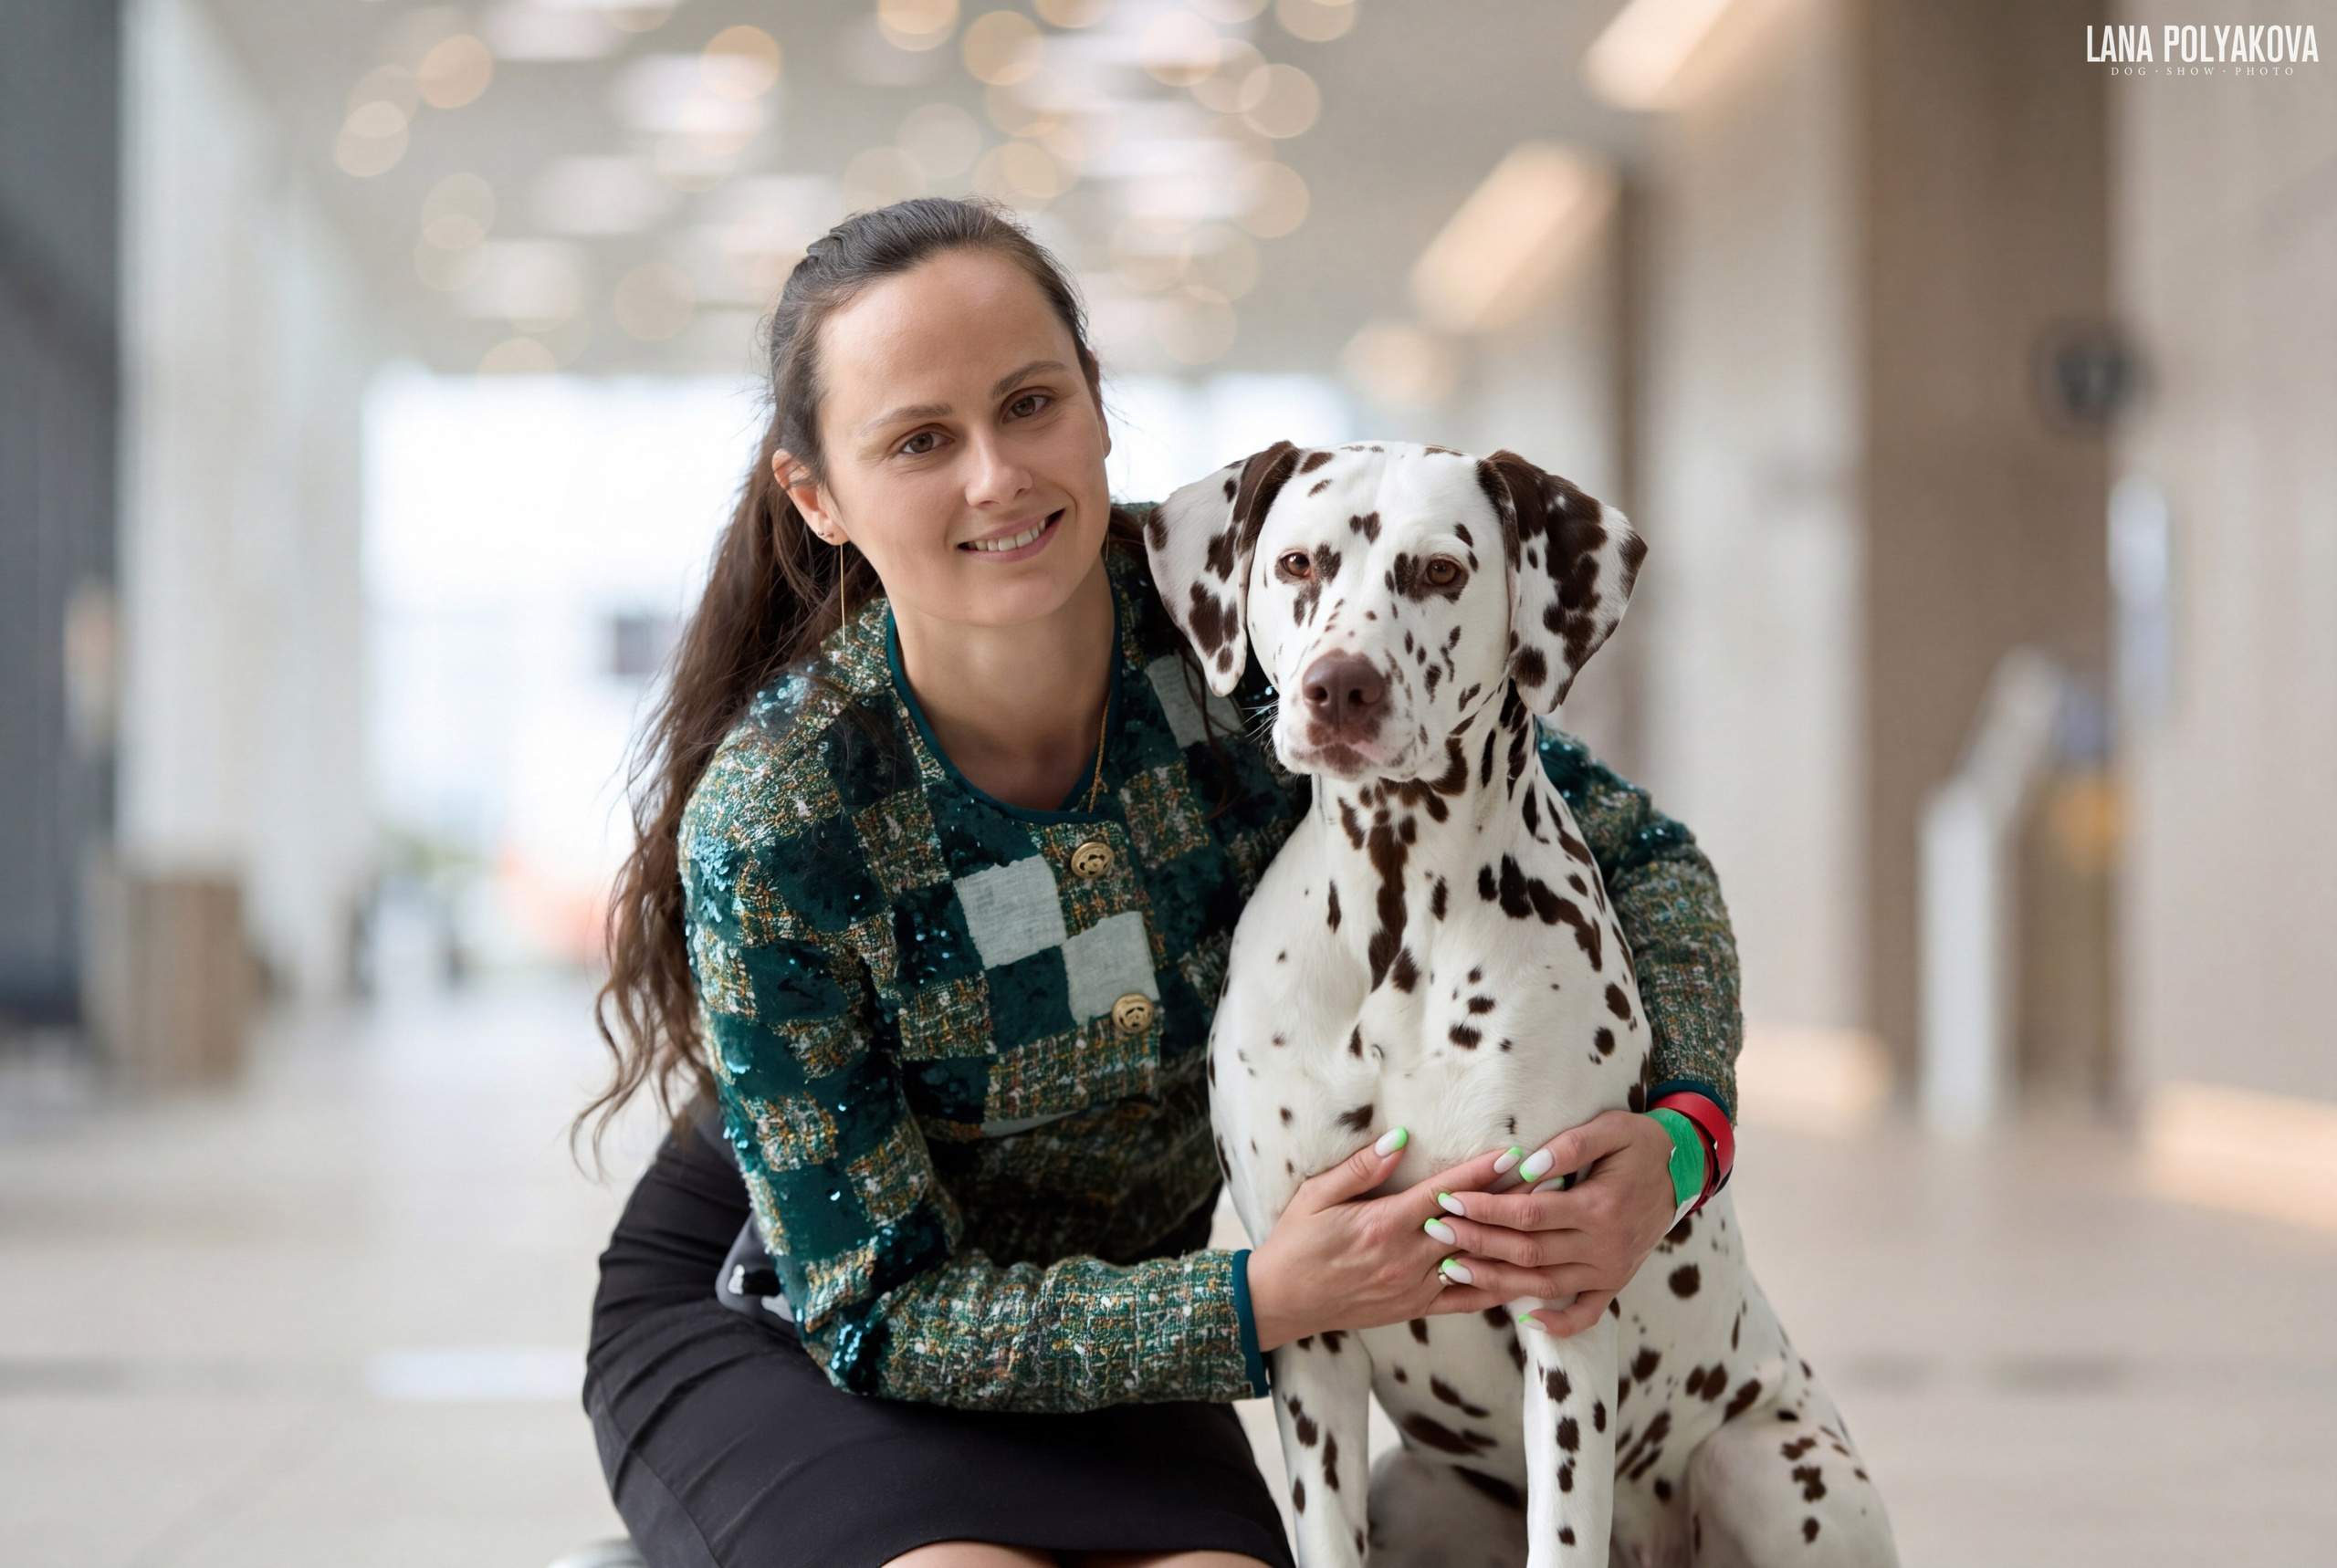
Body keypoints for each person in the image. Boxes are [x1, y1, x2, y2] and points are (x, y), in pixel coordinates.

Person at [581, 198, 1743, 1568]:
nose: (998, 477)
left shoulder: (1265, 614)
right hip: (791, 1323)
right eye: (920, 440)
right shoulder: (782, 812)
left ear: (1098, 407)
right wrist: (1257, 1298)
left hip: (1143, 1329)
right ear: (817, 495)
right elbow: (873, 1313)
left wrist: (1683, 1137)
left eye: (1030, 403)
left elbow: (1634, 853)